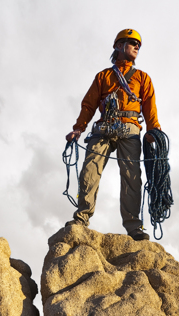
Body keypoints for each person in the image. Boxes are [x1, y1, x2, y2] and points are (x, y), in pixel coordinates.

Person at [65, 29, 161, 241]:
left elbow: (149, 108)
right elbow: (89, 105)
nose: (137, 46)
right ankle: (81, 218)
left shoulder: (143, 78)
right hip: (104, 127)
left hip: (130, 129)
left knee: (132, 178)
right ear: (118, 46)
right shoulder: (103, 77)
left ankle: (134, 227)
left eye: (139, 44)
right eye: (132, 42)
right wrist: (78, 128)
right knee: (89, 170)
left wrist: (154, 130)